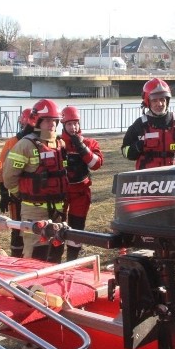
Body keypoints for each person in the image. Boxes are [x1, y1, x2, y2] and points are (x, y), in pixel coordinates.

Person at [3, 99, 69, 261]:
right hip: (34, 210)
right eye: (47, 120)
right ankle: (28, 286)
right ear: (37, 121)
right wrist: (23, 194)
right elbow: (9, 176)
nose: (51, 124)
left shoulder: (60, 144)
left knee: (56, 251)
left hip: (58, 209)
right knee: (35, 253)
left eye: (54, 120)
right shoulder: (25, 145)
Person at [121, 78, 175, 169]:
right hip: (149, 178)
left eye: (162, 100)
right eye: (154, 100)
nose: (159, 104)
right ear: (148, 102)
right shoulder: (139, 124)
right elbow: (125, 151)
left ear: (167, 101)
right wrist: (139, 146)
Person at [59, 105, 103, 261]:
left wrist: (82, 147)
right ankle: (53, 259)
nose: (73, 127)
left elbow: (96, 164)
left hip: (81, 192)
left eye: (76, 123)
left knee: (77, 227)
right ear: (63, 125)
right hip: (61, 193)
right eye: (69, 124)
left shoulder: (89, 142)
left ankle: (72, 260)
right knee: (57, 226)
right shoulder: (58, 144)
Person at [0, 108, 35, 257]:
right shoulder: (12, 143)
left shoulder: (41, 143)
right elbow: (2, 168)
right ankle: (16, 256)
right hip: (18, 194)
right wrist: (4, 194)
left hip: (35, 195)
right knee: (17, 227)